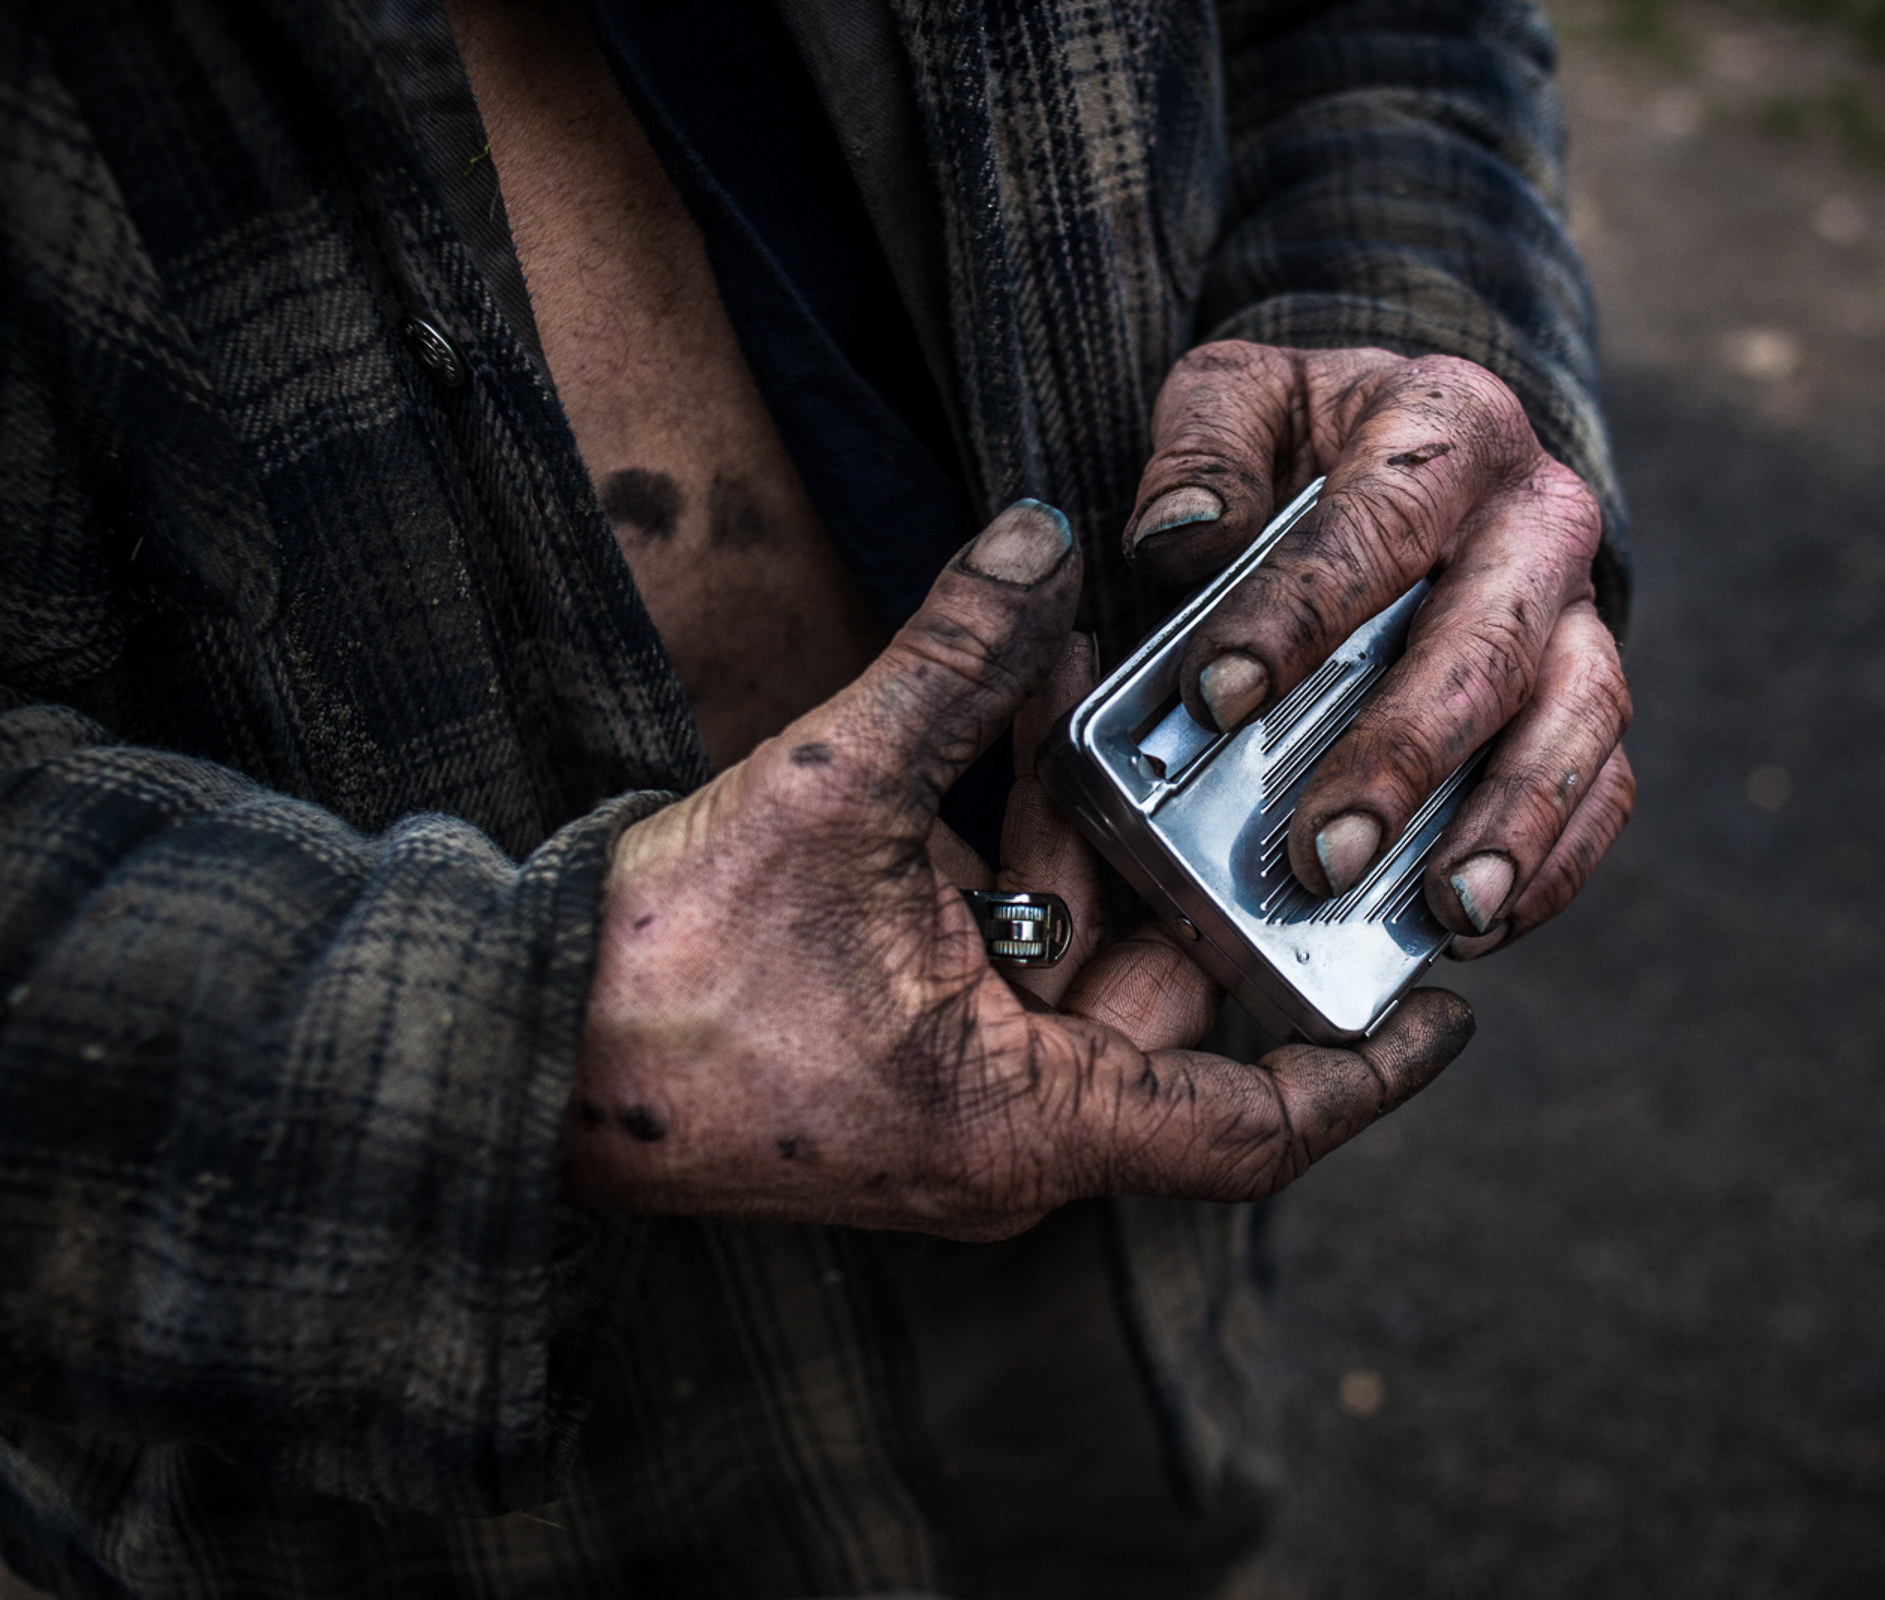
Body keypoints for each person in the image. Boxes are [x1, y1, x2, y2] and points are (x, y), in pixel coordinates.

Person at [0, 0, 1635, 1595]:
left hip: (1112, 1279)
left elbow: (1383, 35)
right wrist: (529, 1036)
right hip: (362, 1473)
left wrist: (1420, 365)